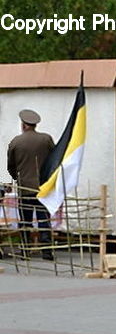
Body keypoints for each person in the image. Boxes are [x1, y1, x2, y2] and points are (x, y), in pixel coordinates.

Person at [6, 108, 55, 260]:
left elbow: (11, 166)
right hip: (43, 186)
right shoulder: (46, 139)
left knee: (25, 220)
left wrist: (17, 178)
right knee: (43, 219)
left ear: (23, 125)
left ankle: (25, 250)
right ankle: (47, 250)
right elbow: (54, 159)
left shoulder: (15, 142)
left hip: (25, 187)